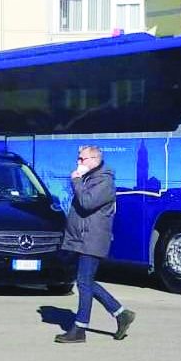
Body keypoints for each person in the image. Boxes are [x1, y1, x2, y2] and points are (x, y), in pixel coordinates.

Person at [55, 145, 135, 344]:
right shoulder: (90, 178)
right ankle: (121, 313)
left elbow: (87, 202)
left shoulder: (104, 181)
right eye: (78, 158)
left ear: (94, 160)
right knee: (85, 281)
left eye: (82, 159)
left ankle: (80, 329)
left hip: (92, 239)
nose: (78, 162)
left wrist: (76, 180)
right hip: (82, 238)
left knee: (84, 282)